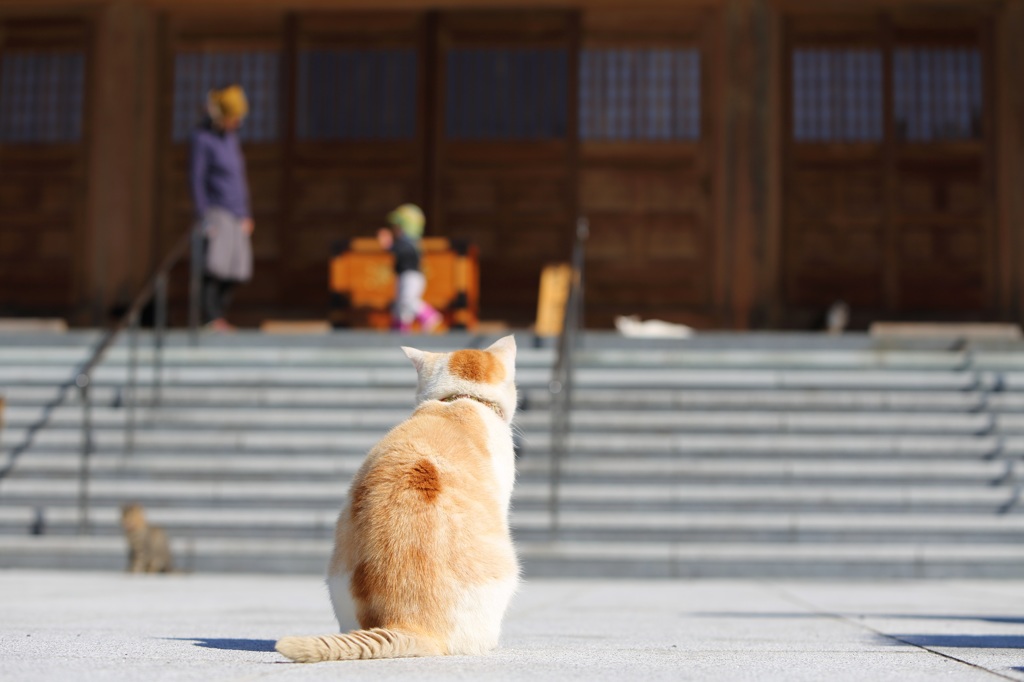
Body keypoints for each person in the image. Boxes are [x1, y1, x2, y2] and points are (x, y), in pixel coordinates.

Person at [190, 84, 253, 332]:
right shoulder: (202, 139)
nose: (236, 123)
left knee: (237, 268)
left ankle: (220, 317)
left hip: (237, 212)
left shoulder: (231, 139)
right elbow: (196, 178)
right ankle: (210, 317)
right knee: (215, 265)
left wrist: (246, 212)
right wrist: (204, 215)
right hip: (217, 209)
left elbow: (238, 178)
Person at [376, 204, 442, 333]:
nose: (395, 230)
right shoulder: (408, 243)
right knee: (401, 305)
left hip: (411, 276)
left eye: (397, 227)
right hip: (403, 276)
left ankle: (429, 316)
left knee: (408, 301)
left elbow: (400, 251)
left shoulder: (409, 243)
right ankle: (400, 328)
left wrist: (388, 245)